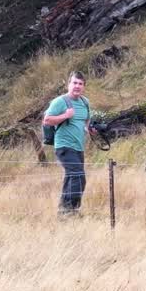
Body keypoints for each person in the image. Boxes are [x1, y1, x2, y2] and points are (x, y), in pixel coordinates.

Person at [42, 71, 95, 217]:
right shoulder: (60, 101)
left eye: (80, 84)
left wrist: (91, 129)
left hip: (79, 147)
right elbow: (47, 120)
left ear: (84, 86)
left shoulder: (85, 102)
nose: (77, 86)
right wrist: (66, 115)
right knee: (78, 177)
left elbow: (86, 122)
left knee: (71, 177)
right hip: (64, 146)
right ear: (68, 84)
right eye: (74, 83)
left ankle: (63, 212)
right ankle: (71, 212)